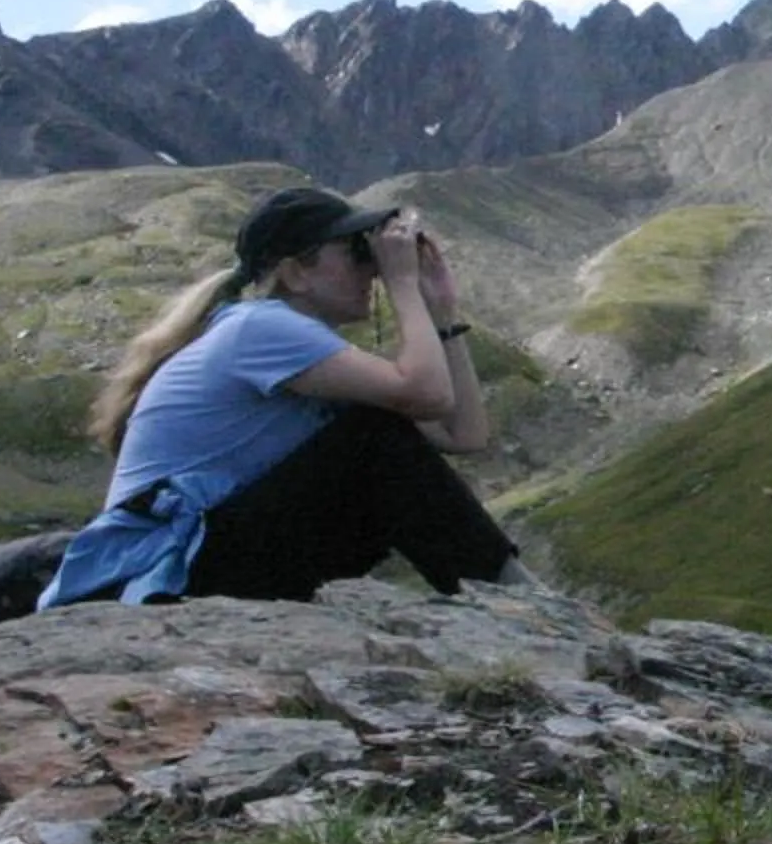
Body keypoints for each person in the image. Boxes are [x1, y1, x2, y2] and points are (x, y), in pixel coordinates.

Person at [37, 185, 531, 609]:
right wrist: (403, 285)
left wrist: (442, 311)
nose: (372, 270)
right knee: (372, 436)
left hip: (198, 561)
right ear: (296, 273)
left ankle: (517, 603)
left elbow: (462, 433)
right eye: (355, 253)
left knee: (376, 432)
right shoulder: (261, 327)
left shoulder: (300, 351)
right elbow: (426, 395)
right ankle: (523, 606)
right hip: (161, 573)